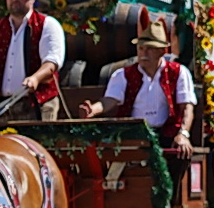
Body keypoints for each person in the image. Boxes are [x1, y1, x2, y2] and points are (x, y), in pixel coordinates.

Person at [78, 20, 195, 156]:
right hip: (133, 135)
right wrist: (93, 109)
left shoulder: (179, 72)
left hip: (167, 136)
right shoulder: (123, 75)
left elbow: (187, 108)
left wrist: (183, 134)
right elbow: (108, 101)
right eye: (140, 48)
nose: (143, 53)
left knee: (179, 156)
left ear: (162, 51)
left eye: (149, 48)